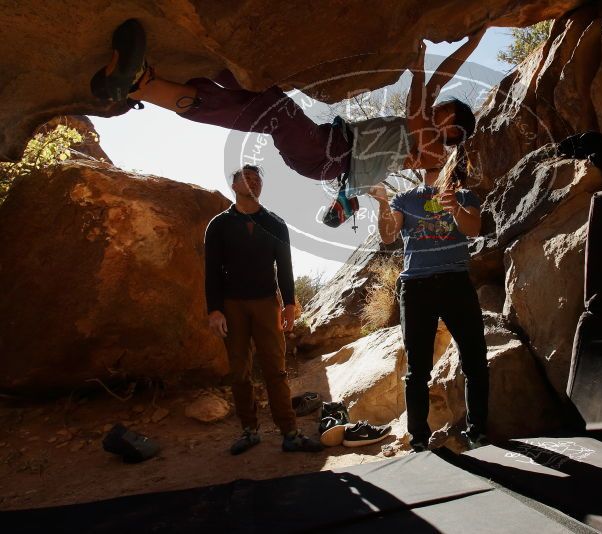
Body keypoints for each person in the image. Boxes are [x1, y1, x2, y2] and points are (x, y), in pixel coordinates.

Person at [90, 19, 485, 227]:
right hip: (325, 147)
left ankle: (143, 85)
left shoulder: (433, 153)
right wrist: (473, 39)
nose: (436, 114)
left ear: (453, 134)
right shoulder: (428, 129)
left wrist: (417, 69)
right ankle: (141, 85)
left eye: (444, 116)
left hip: (329, 156)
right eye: (440, 110)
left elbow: (421, 102)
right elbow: (437, 83)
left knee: (273, 110)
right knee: (264, 100)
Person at [369, 145, 489, 451]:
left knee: (475, 358)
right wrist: (383, 203)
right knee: (417, 369)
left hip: (456, 282)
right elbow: (387, 235)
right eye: (426, 153)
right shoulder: (404, 199)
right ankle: (419, 440)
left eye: (439, 151)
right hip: (417, 286)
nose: (431, 155)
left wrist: (455, 209)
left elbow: (474, 229)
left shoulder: (464, 196)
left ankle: (478, 432)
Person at [204, 164, 323, 454]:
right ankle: (249, 430)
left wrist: (290, 305)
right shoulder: (218, 225)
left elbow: (285, 267)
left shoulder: (275, 223)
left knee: (276, 370)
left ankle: (290, 433)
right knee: (240, 371)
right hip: (232, 305)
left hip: (267, 303)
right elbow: (211, 271)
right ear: (234, 186)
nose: (254, 183)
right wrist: (215, 310)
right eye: (248, 179)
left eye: (258, 179)